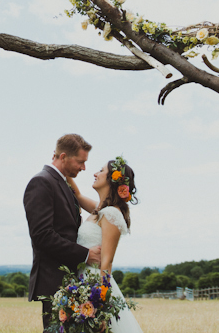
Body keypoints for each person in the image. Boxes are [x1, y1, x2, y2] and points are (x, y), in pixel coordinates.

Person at [24, 134, 102, 331]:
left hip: (68, 283)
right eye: (81, 162)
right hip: (53, 283)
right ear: (64, 156)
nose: (84, 168)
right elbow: (42, 235)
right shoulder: (41, 182)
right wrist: (85, 255)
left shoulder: (62, 183)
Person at [67, 156, 143, 333]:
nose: (95, 173)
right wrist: (63, 165)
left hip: (94, 287)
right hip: (82, 282)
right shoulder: (99, 210)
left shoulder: (110, 214)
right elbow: (77, 195)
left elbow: (106, 263)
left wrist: (101, 307)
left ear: (112, 179)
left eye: (101, 171)